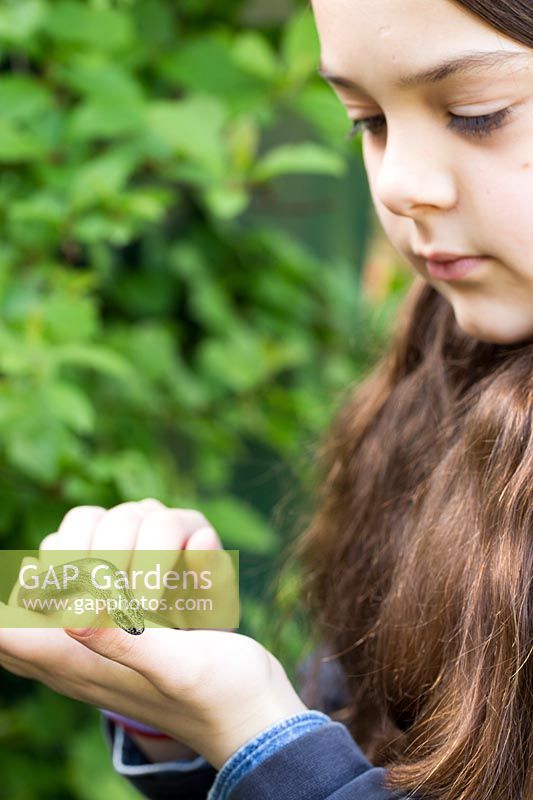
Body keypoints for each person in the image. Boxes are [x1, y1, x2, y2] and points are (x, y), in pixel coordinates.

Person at [0, 1, 532, 798]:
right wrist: (186, 706)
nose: (397, 184)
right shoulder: (437, 386)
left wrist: (259, 737)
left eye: (475, 115)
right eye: (366, 122)